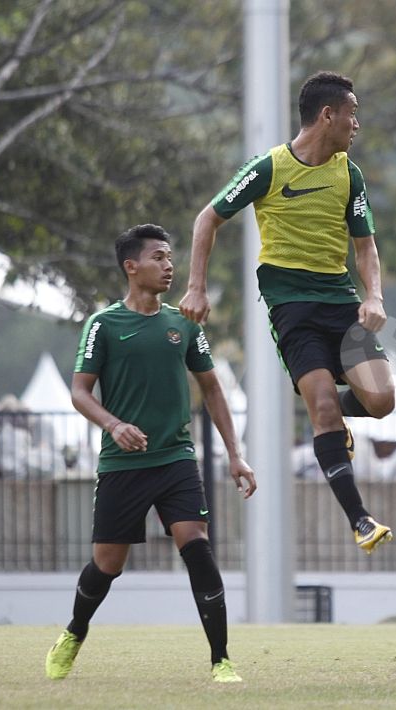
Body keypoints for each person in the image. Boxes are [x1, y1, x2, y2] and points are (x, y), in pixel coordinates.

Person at [179, 71, 394, 553]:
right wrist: (196, 287)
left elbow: (365, 246)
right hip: (292, 308)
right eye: (352, 113)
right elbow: (207, 218)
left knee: (381, 402)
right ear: (327, 115)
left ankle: (339, 417)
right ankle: (360, 521)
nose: (356, 124)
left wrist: (373, 295)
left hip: (340, 303)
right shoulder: (268, 168)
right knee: (319, 407)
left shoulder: (348, 173)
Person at [45, 224, 256, 683]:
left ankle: (221, 660)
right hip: (122, 466)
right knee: (108, 564)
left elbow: (214, 391)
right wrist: (114, 425)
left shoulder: (183, 324)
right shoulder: (102, 325)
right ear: (131, 266)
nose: (168, 266)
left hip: (176, 459)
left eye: (170, 257)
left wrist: (235, 455)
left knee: (197, 547)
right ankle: (74, 632)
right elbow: (80, 393)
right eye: (158, 257)